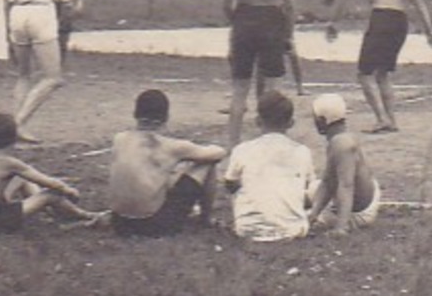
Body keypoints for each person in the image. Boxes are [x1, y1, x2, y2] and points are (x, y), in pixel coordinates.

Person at [325, 0, 432, 134]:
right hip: (400, 20)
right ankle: (392, 120)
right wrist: (429, 30)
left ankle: (382, 119)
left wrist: (333, 21)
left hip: (382, 16)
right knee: (383, 74)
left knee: (364, 73)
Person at [221, 0, 299, 148]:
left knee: (239, 90)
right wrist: (288, 33)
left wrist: (236, 22)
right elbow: (291, 5)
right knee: (274, 88)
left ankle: (233, 146)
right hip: (271, 19)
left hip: (245, 17)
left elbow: (226, 3)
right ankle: (276, 142)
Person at [0, 112, 102, 234]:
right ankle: (85, 215)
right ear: (15, 137)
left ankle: (48, 211)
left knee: (22, 179)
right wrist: (69, 190)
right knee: (49, 195)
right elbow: (49, 183)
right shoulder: (8, 162)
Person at [108, 90, 226, 236]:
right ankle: (205, 219)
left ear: (135, 114)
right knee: (206, 164)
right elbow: (218, 154)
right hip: (153, 225)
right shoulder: (171, 146)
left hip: (119, 223)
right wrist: (188, 154)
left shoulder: (119, 138)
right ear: (166, 117)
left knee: (165, 173)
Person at [2, 0, 75, 143]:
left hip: (17, 14)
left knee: (24, 75)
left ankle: (15, 126)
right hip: (41, 13)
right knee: (53, 78)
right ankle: (17, 123)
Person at [222, 91, 314, 242]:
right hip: (293, 229)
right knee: (312, 187)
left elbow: (230, 184)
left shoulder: (242, 149)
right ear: (291, 123)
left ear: (258, 121)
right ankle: (284, 214)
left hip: (247, 229)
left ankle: (254, 213)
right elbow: (308, 189)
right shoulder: (302, 151)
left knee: (239, 183)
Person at [306, 94, 380, 235]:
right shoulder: (342, 138)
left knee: (297, 219)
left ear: (322, 120)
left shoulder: (341, 144)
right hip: (365, 196)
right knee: (312, 190)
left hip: (359, 212)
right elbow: (328, 181)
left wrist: (341, 227)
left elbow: (346, 185)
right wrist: (313, 215)